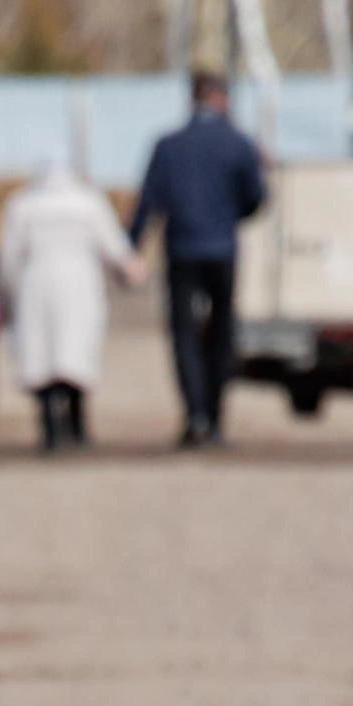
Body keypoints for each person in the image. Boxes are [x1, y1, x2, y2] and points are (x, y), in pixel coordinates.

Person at [129, 68, 268, 447]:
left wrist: (132, 247)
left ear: (193, 98)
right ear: (221, 99)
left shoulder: (168, 145)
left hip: (182, 251)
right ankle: (217, 418)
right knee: (221, 334)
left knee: (184, 336)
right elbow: (257, 198)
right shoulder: (239, 144)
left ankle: (195, 417)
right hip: (223, 250)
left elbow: (148, 202)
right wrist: (228, 218)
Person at [1, 160, 148, 453]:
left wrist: (6, 294)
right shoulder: (89, 203)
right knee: (75, 354)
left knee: (41, 357)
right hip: (80, 284)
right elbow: (113, 244)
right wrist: (130, 266)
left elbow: (8, 257)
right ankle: (77, 426)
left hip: (36, 283)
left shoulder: (23, 204)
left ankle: (50, 428)